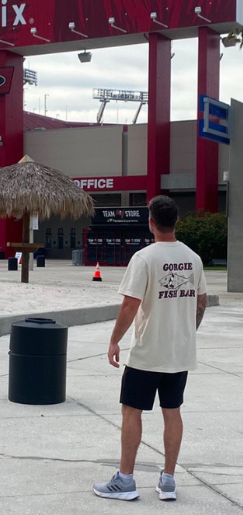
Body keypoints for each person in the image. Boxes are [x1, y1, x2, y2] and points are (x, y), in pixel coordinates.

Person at [94, 195, 207, 502]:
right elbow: (201, 300)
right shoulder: (194, 259)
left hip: (147, 354)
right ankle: (168, 480)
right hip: (179, 353)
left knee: (132, 411)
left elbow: (130, 305)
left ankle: (126, 480)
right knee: (173, 412)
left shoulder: (144, 258)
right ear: (177, 222)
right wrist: (185, 333)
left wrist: (114, 339)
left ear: (151, 223)